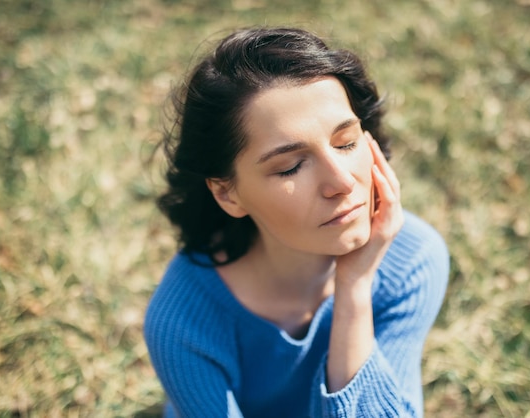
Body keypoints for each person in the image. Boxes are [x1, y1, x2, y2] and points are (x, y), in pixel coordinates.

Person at [144, 27, 449, 418]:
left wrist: (355, 286)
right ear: (227, 193)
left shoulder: (413, 260)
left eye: (346, 143)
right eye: (290, 167)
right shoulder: (182, 320)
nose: (341, 182)